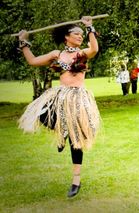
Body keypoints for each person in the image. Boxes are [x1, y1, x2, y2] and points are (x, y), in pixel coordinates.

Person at [18, 16, 100, 197]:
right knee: (42, 114)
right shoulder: (57, 54)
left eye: (81, 34)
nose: (80, 36)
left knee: (76, 138)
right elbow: (32, 61)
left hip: (78, 98)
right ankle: (61, 132)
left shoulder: (83, 53)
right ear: (66, 37)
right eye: (76, 34)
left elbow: (94, 48)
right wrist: (23, 42)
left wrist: (89, 27)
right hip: (61, 95)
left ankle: (76, 180)